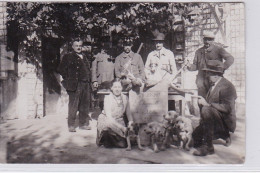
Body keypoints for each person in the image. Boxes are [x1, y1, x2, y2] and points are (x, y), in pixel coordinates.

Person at [192, 60, 237, 156]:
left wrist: (208, 104)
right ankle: (224, 135)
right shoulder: (214, 84)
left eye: (209, 73)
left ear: (216, 75)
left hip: (225, 121)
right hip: (216, 118)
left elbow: (227, 108)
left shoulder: (227, 86)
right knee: (194, 137)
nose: (207, 76)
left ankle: (208, 147)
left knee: (206, 109)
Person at [187, 31, 234, 99]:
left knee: (214, 99)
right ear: (203, 39)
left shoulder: (218, 49)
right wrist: (189, 66)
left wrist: (223, 67)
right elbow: (196, 66)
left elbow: (230, 58)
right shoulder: (198, 51)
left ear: (213, 40)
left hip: (214, 79)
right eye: (205, 39)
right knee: (201, 100)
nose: (207, 41)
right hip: (201, 81)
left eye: (209, 39)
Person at [58, 38, 91, 132]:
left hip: (85, 84)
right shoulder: (68, 56)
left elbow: (88, 70)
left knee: (84, 104)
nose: (78, 47)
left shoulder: (84, 56)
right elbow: (61, 69)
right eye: (76, 46)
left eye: (80, 46)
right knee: (73, 105)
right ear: (72, 47)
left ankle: (83, 124)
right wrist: (69, 79)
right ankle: (71, 125)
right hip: (74, 85)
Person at [96, 78, 133, 148]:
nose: (117, 89)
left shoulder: (125, 98)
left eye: (119, 87)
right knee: (107, 130)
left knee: (123, 145)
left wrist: (131, 122)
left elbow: (128, 113)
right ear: (111, 88)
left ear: (122, 88)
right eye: (115, 87)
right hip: (107, 120)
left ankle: (110, 139)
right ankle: (104, 137)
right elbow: (109, 117)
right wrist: (122, 128)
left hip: (119, 120)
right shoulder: (108, 98)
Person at [145, 32, 178, 110]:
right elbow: (146, 69)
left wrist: (169, 81)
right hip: (155, 83)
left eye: (160, 42)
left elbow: (174, 71)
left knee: (170, 104)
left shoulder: (169, 54)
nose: (158, 44)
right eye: (156, 42)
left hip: (167, 83)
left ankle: (171, 118)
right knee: (155, 105)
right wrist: (150, 78)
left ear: (163, 43)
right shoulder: (151, 55)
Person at [92, 43, 115, 109]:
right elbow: (94, 68)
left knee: (110, 98)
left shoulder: (112, 55)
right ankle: (101, 113)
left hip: (111, 79)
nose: (105, 48)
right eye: (103, 47)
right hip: (101, 80)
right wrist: (94, 80)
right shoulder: (97, 55)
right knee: (101, 98)